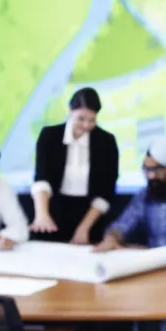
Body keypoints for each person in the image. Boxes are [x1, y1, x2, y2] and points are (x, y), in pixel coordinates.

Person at [30, 87, 120, 244]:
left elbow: (106, 192)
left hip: (89, 216)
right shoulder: (49, 136)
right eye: (81, 118)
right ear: (70, 110)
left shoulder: (107, 142)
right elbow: (42, 178)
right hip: (54, 212)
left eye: (92, 120)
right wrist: (42, 214)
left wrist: (84, 228)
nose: (86, 125)